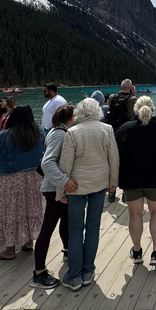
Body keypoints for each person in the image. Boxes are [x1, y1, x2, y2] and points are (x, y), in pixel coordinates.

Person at [57, 98, 119, 291]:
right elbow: (114, 158)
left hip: (76, 186)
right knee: (93, 227)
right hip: (99, 184)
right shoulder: (107, 129)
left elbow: (65, 164)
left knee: (75, 229)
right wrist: (113, 183)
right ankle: (88, 270)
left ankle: (74, 275)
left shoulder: (72, 132)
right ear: (97, 111)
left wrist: (61, 190)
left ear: (79, 113)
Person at [116, 96, 156, 267]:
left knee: (134, 215)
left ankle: (137, 251)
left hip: (131, 177)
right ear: (152, 109)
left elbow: (115, 149)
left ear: (135, 110)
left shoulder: (125, 128)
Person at [0, 106, 46, 261]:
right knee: (31, 208)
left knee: (11, 211)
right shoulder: (40, 131)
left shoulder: (4, 135)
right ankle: (29, 241)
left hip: (12, 178)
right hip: (34, 176)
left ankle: (9, 249)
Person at [31, 103, 74, 289]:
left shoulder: (56, 131)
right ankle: (39, 273)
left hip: (58, 188)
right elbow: (48, 163)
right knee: (47, 228)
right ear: (70, 119)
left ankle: (67, 250)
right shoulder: (59, 134)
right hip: (53, 188)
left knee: (65, 220)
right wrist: (64, 182)